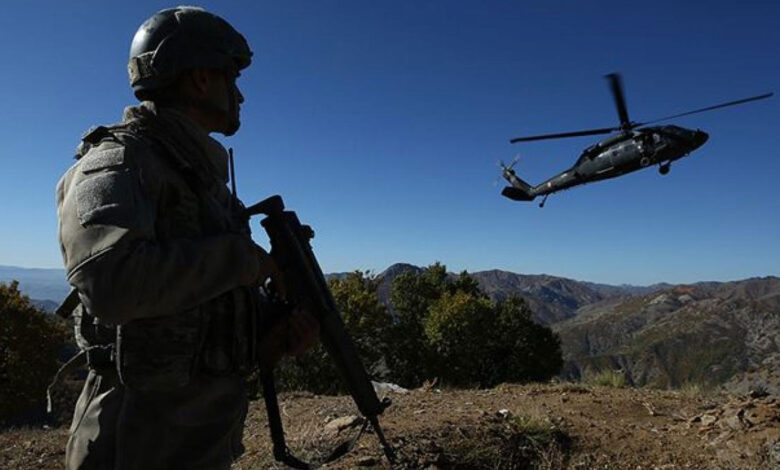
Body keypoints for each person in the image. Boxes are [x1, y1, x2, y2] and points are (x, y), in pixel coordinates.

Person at [55, 6, 318, 469]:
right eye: (231, 79)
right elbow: (112, 285)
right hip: (132, 446)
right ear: (200, 78)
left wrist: (271, 333)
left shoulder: (201, 181)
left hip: (197, 441)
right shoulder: (117, 161)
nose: (240, 96)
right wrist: (245, 260)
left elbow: (194, 311)